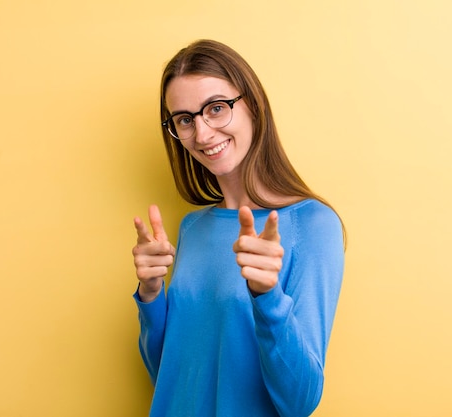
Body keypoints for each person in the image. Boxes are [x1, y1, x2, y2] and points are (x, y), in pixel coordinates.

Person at [131, 39, 345, 417]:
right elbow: (168, 376)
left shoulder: (311, 225)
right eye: (184, 119)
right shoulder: (192, 227)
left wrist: (267, 296)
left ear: (253, 105)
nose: (202, 134)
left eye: (216, 108)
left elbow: (300, 402)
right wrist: (150, 296)